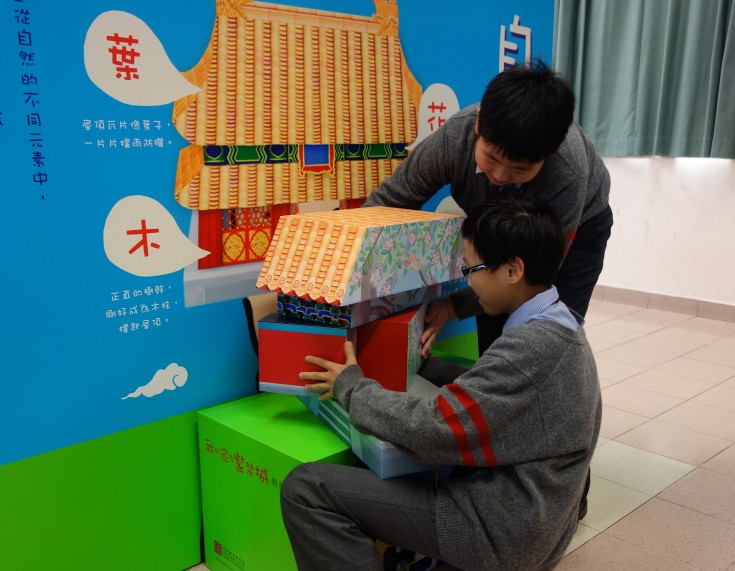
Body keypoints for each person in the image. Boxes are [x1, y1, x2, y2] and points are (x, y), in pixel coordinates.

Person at [280, 197, 602, 571]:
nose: (468, 281)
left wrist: (351, 386)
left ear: (513, 270)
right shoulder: (561, 322)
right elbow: (500, 396)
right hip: (538, 517)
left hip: (499, 532)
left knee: (308, 488)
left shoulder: (531, 348)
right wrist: (426, 366)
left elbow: (431, 430)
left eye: (472, 269)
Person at [363, 58, 613, 360]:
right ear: (479, 125)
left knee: (546, 336)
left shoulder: (567, 173)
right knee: (493, 336)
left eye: (519, 170)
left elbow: (532, 277)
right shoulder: (457, 138)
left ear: (547, 157)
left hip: (579, 228)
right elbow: (392, 199)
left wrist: (452, 308)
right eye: (491, 159)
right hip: (499, 225)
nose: (499, 176)